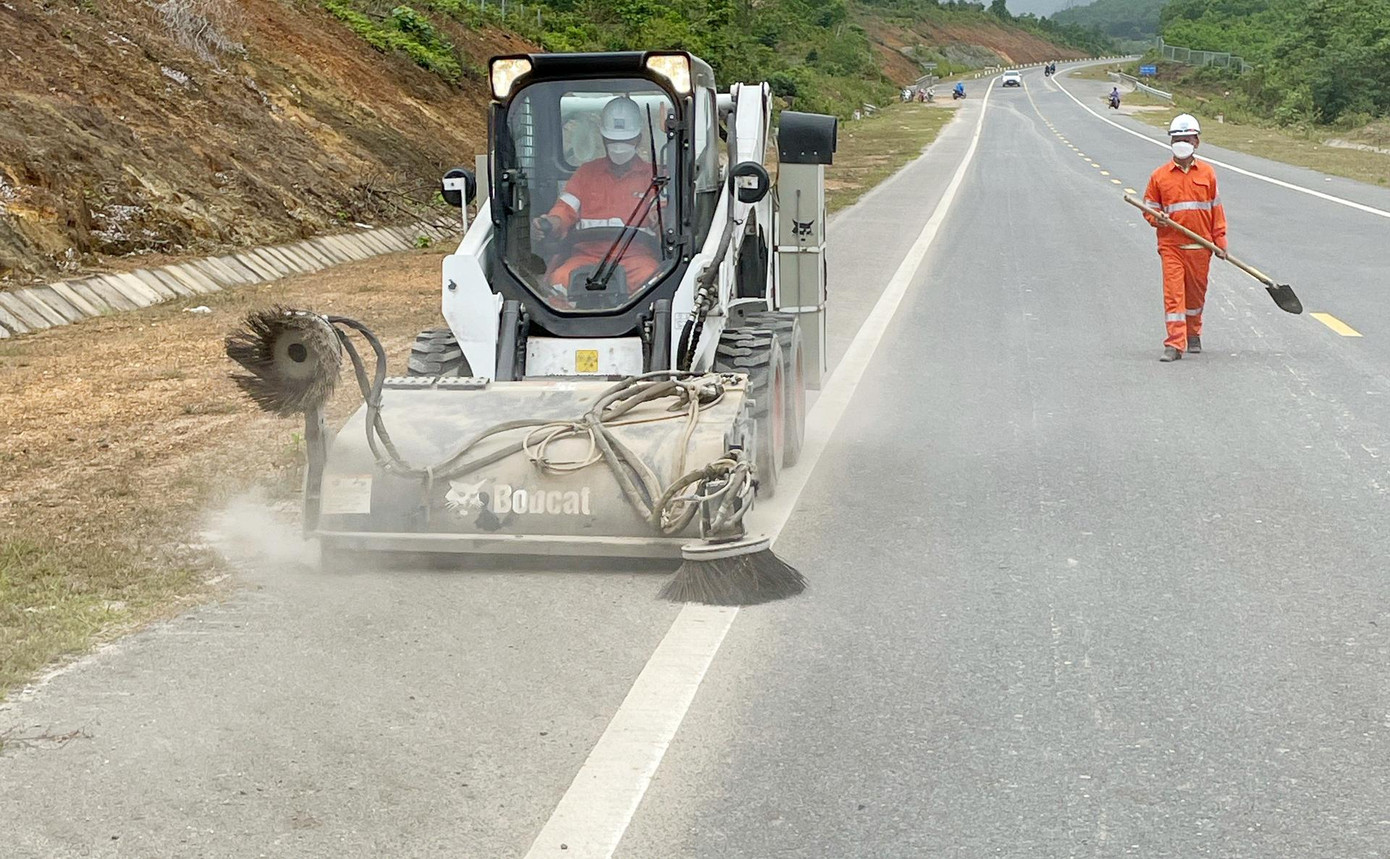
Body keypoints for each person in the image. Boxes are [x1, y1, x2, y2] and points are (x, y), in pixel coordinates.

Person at [531, 96, 662, 308]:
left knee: (656, 283)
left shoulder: (655, 176)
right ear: (603, 138)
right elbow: (564, 211)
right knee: (559, 282)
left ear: (638, 138)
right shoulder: (585, 174)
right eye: (613, 140)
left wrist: (661, 218)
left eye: (625, 140)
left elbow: (665, 213)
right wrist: (549, 223)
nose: (619, 147)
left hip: (636, 258)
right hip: (586, 257)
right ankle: (564, 332)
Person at [1141, 114, 1228, 362]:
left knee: (1195, 297)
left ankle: (1193, 334)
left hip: (1201, 246)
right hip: (1172, 247)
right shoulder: (1159, 176)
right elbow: (1149, 207)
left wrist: (1220, 241)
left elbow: (1216, 210)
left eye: (1186, 138)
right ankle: (1174, 344)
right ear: (1170, 142)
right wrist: (1155, 218)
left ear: (1196, 142)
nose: (1182, 143)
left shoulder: (1208, 174)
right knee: (1174, 295)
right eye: (1177, 139)